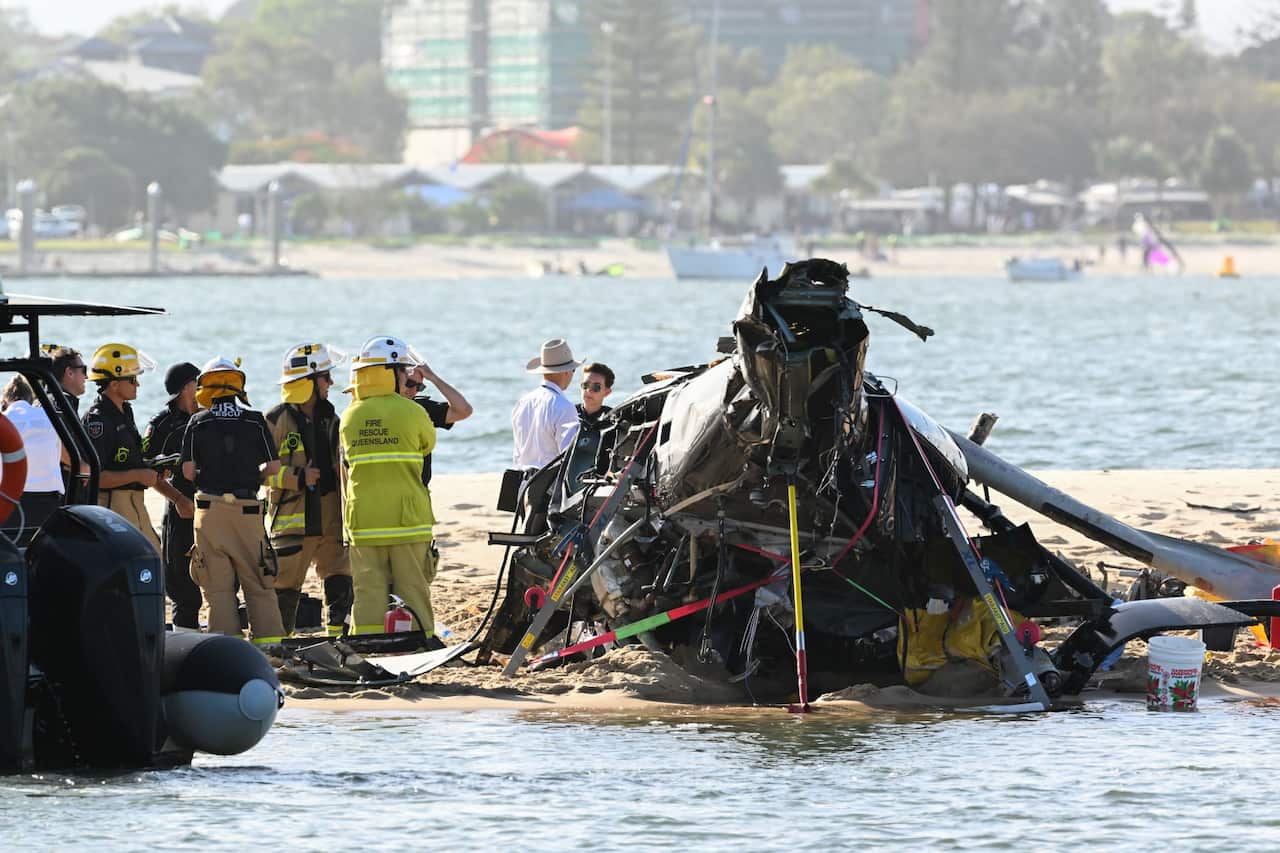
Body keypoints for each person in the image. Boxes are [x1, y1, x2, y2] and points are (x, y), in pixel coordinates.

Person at [339, 335, 440, 641]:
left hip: (364, 521)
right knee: (413, 589)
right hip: (406, 520)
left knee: (367, 591)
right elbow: (427, 444)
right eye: (401, 371)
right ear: (391, 372)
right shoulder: (413, 412)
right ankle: (419, 643)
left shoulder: (350, 415)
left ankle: (367, 643)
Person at [180, 357, 284, 646]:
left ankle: (226, 645)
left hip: (209, 511)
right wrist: (255, 477)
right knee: (259, 581)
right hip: (247, 510)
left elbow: (188, 471)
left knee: (217, 588)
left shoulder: (197, 421)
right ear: (238, 385)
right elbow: (273, 467)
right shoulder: (254, 419)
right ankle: (270, 643)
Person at [265, 343, 353, 636]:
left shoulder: (332, 418)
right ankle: (279, 643)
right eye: (326, 377)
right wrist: (297, 477)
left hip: (330, 518)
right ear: (310, 381)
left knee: (340, 579)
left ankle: (338, 638)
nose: (330, 383)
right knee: (284, 588)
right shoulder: (275, 420)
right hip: (293, 520)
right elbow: (256, 472)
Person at [83, 343, 181, 553]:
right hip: (113, 508)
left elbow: (124, 460)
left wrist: (151, 469)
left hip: (133, 504)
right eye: (132, 379)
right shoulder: (97, 421)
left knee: (152, 556)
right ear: (114, 384)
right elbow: (95, 477)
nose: (138, 384)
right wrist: (138, 474)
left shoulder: (125, 412)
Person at [143, 362, 201, 629]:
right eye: (196, 382)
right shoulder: (161, 425)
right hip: (181, 510)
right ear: (186, 387)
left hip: (212, 509)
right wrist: (178, 499)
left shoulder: (209, 417)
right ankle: (186, 637)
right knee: (181, 583)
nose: (200, 388)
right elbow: (148, 473)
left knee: (219, 580)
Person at [0, 375, 64, 538]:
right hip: (49, 502)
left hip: (9, 502)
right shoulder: (50, 419)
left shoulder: (5, 422)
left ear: (5, 400)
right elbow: (58, 455)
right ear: (31, 399)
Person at [399, 360, 473, 489]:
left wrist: (433, 378)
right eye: (410, 383)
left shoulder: (422, 408)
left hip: (417, 488)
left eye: (419, 387)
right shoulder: (374, 409)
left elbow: (464, 410)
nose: (413, 390)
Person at [510, 338, 581, 472]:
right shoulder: (564, 407)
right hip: (549, 487)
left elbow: (518, 453)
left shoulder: (522, 402)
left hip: (522, 484)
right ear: (565, 371)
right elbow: (569, 457)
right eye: (573, 370)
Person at [576, 362, 614, 431]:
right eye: (585, 385)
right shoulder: (568, 413)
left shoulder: (613, 419)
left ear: (607, 392)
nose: (588, 390)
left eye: (596, 387)